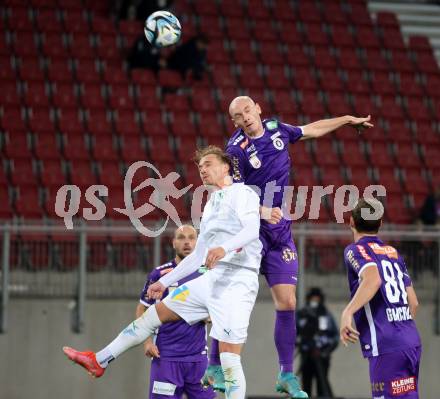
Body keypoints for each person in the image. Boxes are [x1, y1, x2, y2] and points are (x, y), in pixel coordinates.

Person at [204, 95, 373, 398]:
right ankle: (213, 363)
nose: (245, 117)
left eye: (247, 110)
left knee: (288, 302)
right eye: (238, 116)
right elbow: (231, 196)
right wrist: (262, 211)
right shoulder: (236, 151)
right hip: (250, 232)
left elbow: (311, 129)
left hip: (279, 232)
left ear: (257, 108)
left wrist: (346, 120)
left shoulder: (276, 128)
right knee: (230, 299)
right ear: (235, 122)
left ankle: (285, 374)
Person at [63, 145, 263, 399]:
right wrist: (166, 281)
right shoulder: (211, 203)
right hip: (212, 279)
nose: (203, 170)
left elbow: (251, 231)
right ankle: (99, 360)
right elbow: (198, 256)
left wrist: (223, 249)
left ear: (225, 167)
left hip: (238, 281)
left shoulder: (242, 193)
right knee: (152, 316)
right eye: (200, 167)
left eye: (209, 164)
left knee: (229, 359)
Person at [340, 198, 422, 399]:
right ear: (380, 223)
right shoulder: (393, 252)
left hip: (387, 347)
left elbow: (373, 278)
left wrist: (347, 312)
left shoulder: (355, 250)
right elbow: (414, 303)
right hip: (411, 342)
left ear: (351, 221)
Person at [136, 224, 215, 399]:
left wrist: (210, 315)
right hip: (165, 358)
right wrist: (147, 342)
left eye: (191, 237)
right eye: (181, 237)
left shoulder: (206, 272)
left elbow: (217, 305)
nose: (187, 242)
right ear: (173, 243)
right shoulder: (159, 274)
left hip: (198, 358)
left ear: (198, 242)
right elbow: (143, 308)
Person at [296, 287, 338, 398]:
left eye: (317, 299)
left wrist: (325, 351)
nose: (314, 302)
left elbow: (335, 336)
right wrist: (301, 342)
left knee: (322, 386)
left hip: (322, 356)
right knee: (306, 387)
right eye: (312, 299)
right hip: (306, 356)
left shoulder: (326, 315)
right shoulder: (301, 315)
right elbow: (294, 334)